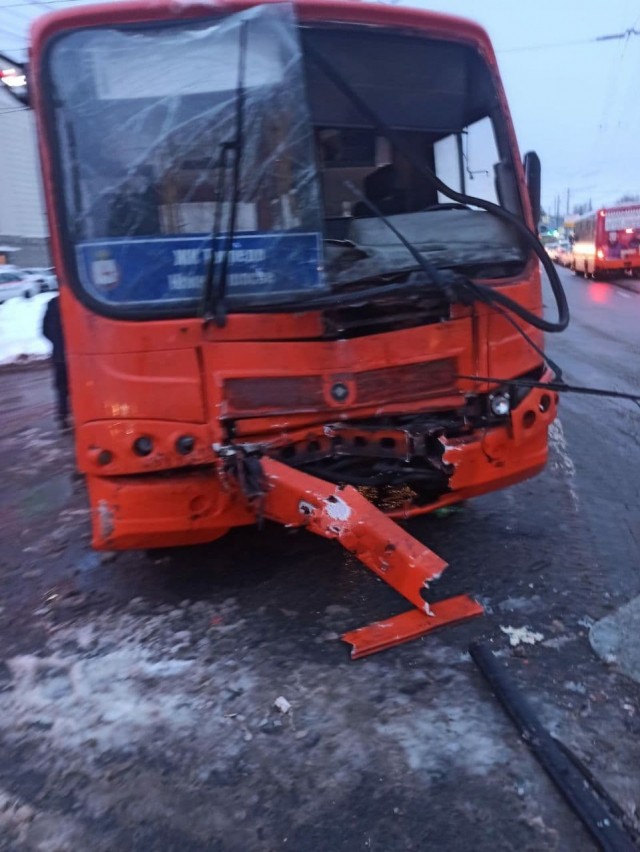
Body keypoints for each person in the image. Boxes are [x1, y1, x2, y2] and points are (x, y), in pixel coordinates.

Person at [42, 296, 70, 429]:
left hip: (59, 354)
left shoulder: (52, 303)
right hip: (77, 354)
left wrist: (57, 343)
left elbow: (44, 330)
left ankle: (63, 415)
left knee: (61, 386)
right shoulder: (80, 301)